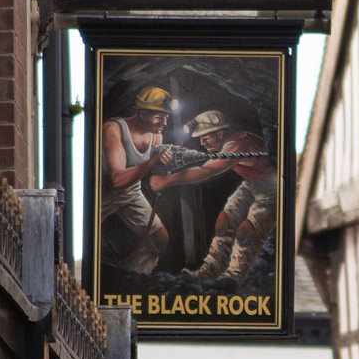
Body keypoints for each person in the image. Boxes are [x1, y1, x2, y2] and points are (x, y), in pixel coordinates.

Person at [148, 110, 276, 289]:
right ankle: (210, 270)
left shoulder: (236, 146)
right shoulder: (229, 144)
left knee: (248, 230)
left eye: (205, 137)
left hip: (273, 188)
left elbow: (207, 171)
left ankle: (233, 278)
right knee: (224, 222)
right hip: (253, 184)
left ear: (221, 134)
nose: (202, 142)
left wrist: (166, 181)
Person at [100, 86, 175, 273]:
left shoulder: (156, 135)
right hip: (104, 194)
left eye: (166, 117)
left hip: (131, 193)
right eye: (158, 117)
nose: (163, 122)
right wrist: (153, 162)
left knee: (159, 238)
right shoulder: (113, 129)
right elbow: (117, 180)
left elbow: (150, 170)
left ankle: (135, 275)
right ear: (141, 114)